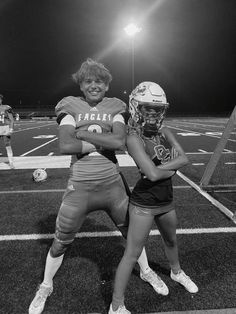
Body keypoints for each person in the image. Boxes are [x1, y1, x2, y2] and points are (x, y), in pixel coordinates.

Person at [28, 60, 167, 314]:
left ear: (107, 84)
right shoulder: (69, 104)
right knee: (60, 241)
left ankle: (146, 271)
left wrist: (82, 134)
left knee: (132, 235)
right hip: (80, 187)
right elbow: (65, 145)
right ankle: (46, 285)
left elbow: (119, 141)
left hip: (112, 185)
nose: (94, 85)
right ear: (80, 84)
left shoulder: (115, 106)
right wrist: (103, 142)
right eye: (88, 81)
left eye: (99, 81)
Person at [109, 82, 199, 314]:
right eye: (147, 108)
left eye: (157, 109)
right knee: (132, 253)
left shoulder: (165, 132)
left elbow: (184, 159)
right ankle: (116, 305)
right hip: (144, 203)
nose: (152, 113)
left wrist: (164, 169)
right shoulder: (132, 137)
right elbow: (151, 173)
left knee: (171, 241)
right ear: (136, 107)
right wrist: (172, 166)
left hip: (166, 199)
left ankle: (176, 272)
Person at [0, 94, 14, 168]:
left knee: (8, 145)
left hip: (5, 128)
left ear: (1, 100)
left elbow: (11, 120)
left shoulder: (6, 107)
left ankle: (11, 163)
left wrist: (11, 129)